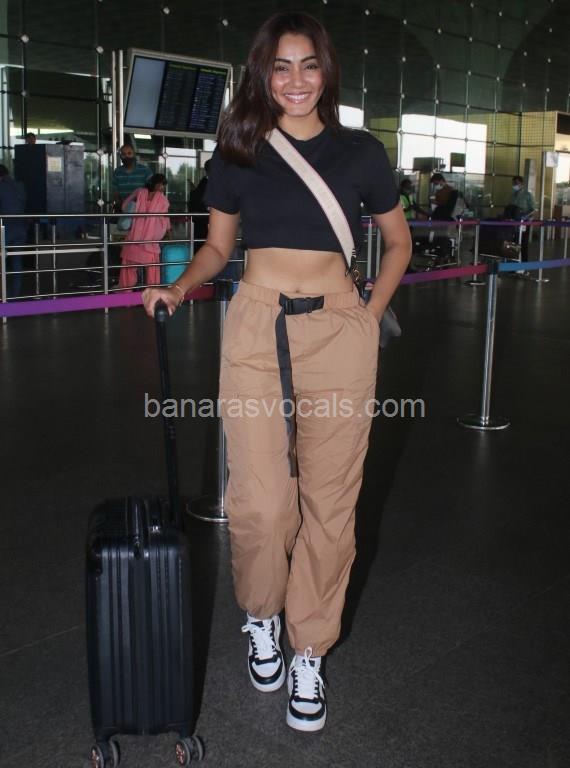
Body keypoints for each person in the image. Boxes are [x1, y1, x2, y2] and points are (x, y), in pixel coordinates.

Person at [142, 11, 411, 733]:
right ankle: (261, 616)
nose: (295, 80)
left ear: (327, 72)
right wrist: (179, 286)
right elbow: (216, 247)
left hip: (339, 328)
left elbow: (398, 241)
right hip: (257, 325)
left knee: (331, 503)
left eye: (308, 65)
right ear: (263, 74)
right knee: (259, 503)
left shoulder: (360, 152)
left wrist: (367, 313)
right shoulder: (239, 151)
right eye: (281, 66)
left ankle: (309, 649)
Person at [118, 173, 170, 289]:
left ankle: (125, 295)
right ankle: (153, 294)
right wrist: (167, 231)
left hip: (134, 240)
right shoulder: (162, 199)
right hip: (150, 242)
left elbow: (125, 206)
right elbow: (165, 218)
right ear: (156, 184)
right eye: (162, 185)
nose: (162, 188)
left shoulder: (139, 193)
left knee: (127, 271)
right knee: (153, 272)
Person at [0, 164, 27, 298]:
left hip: (5, 228)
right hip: (20, 228)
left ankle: (3, 295)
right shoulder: (20, 186)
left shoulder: (1, 187)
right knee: (17, 262)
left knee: (1, 261)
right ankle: (14, 295)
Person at [112, 144, 152, 209]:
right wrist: (119, 205)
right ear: (120, 156)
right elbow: (115, 192)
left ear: (134, 155)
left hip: (142, 209)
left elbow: (152, 190)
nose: (127, 156)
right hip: (124, 208)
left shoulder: (145, 171)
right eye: (124, 154)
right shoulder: (117, 172)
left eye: (129, 153)